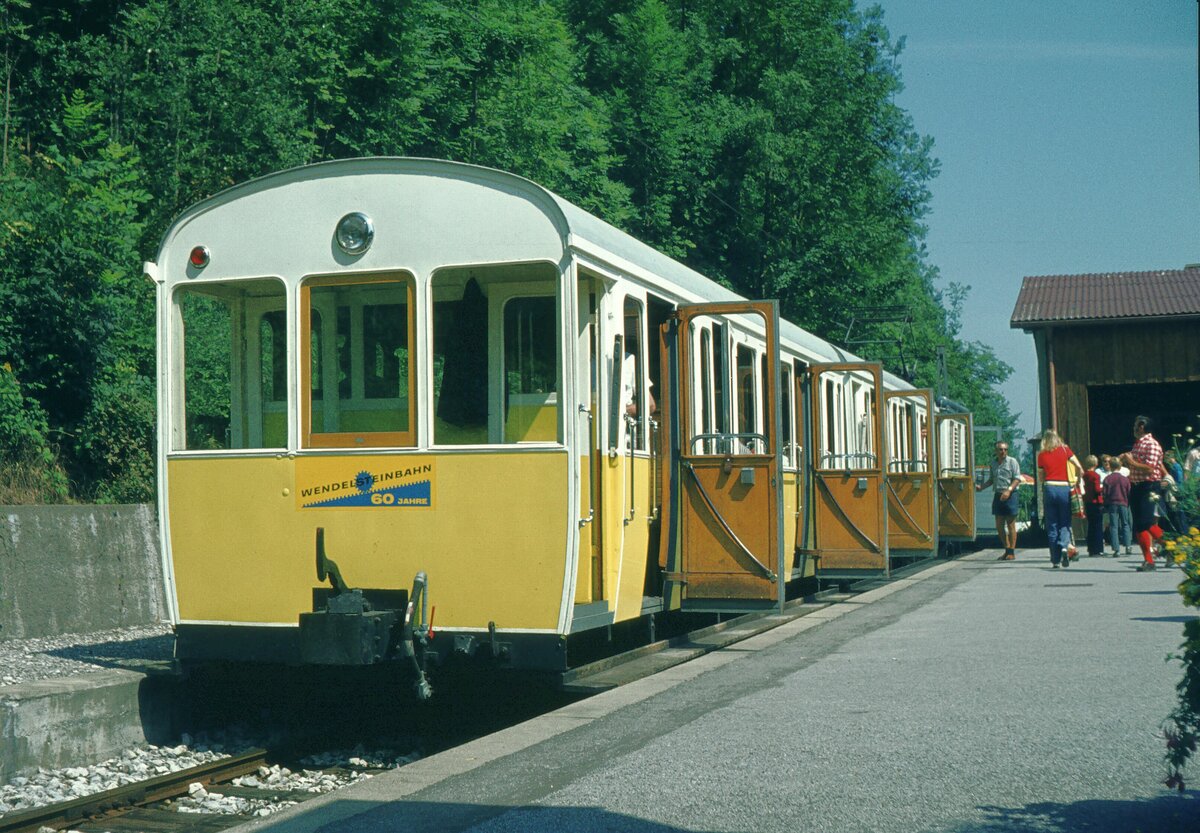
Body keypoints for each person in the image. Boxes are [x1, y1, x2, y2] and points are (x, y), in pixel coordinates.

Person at [1120, 415, 1165, 572]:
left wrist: (1131, 462)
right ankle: (1148, 560)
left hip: (1149, 486)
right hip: (1138, 485)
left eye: (1135, 425)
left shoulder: (1152, 444)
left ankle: (1172, 546)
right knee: (1140, 525)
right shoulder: (1139, 444)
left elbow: (1150, 468)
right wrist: (1125, 459)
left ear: (1141, 427)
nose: (1133, 428)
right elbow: (1138, 463)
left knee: (1146, 522)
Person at [1037, 429, 1083, 569]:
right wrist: (1077, 481)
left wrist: (1044, 487)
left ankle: (1055, 560)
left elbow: (1041, 476)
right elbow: (1079, 467)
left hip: (1049, 488)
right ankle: (1064, 546)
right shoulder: (1065, 450)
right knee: (1065, 521)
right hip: (1064, 488)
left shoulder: (1042, 454)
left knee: (1052, 525)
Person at [975, 440, 1021, 560]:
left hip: (1010, 493)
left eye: (1005, 449)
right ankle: (1006, 548)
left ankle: (1012, 551)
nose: (1003, 452)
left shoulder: (1012, 462)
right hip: (998, 494)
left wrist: (1009, 490)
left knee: (1010, 523)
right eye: (1001, 449)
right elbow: (991, 479)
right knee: (999, 524)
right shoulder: (993, 463)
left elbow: (1017, 479)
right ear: (996, 451)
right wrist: (982, 487)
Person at [1102, 455, 1132, 557]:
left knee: (1113, 526)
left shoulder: (1107, 479)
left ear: (1110, 466)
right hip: (1123, 503)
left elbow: (1105, 493)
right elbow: (1128, 492)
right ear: (1120, 466)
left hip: (1112, 504)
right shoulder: (1125, 479)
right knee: (1125, 524)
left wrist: (1106, 503)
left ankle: (1116, 549)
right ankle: (1128, 546)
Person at [1082, 455, 1105, 556]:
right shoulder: (1095, 475)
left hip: (1088, 502)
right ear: (1096, 464)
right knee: (1098, 527)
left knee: (1091, 526)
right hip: (1096, 502)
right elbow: (1097, 490)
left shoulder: (1084, 475)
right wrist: (1104, 488)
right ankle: (1098, 549)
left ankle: (1091, 548)